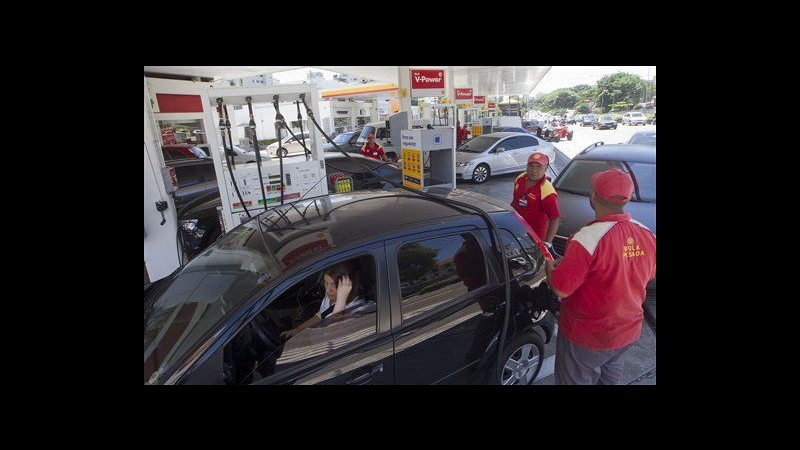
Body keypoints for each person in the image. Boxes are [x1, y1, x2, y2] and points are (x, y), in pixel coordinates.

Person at [545, 169, 656, 385]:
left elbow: (561, 288)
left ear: (593, 196)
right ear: (627, 198)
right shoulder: (646, 233)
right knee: (609, 376)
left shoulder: (587, 239)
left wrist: (549, 266)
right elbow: (648, 273)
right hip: (626, 331)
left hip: (588, 336)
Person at [280, 262, 364, 340]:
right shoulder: (330, 297)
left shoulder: (356, 309)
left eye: (333, 285)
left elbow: (334, 330)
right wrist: (298, 330)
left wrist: (341, 300)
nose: (328, 289)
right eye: (326, 283)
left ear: (345, 285)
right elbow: (321, 315)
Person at [511, 152, 560, 252]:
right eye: (531, 166)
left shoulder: (547, 190)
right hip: (515, 230)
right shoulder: (520, 179)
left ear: (545, 169)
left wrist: (547, 243)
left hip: (534, 236)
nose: (534, 170)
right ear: (527, 166)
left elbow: (555, 219)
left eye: (539, 167)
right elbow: (514, 202)